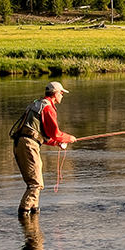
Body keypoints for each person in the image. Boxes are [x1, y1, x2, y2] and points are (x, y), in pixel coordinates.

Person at [11, 81, 77, 215]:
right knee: (36, 183)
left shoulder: (37, 104)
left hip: (23, 143)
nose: (62, 96)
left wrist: (56, 143)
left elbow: (40, 134)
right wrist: (68, 138)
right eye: (61, 93)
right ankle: (23, 213)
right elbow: (55, 133)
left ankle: (33, 214)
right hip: (28, 145)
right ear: (55, 94)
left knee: (36, 181)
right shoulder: (48, 108)